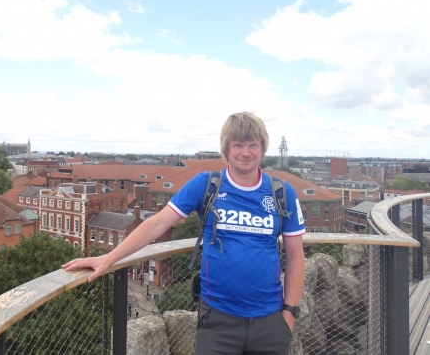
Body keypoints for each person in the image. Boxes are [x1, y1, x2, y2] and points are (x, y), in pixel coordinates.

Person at [63, 112, 306, 355]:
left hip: (269, 320)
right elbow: (157, 224)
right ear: (226, 149)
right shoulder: (207, 185)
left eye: (253, 145)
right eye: (238, 145)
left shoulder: (281, 193)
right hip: (218, 320)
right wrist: (108, 259)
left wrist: (289, 314)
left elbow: (295, 256)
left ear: (262, 148)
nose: (245, 152)